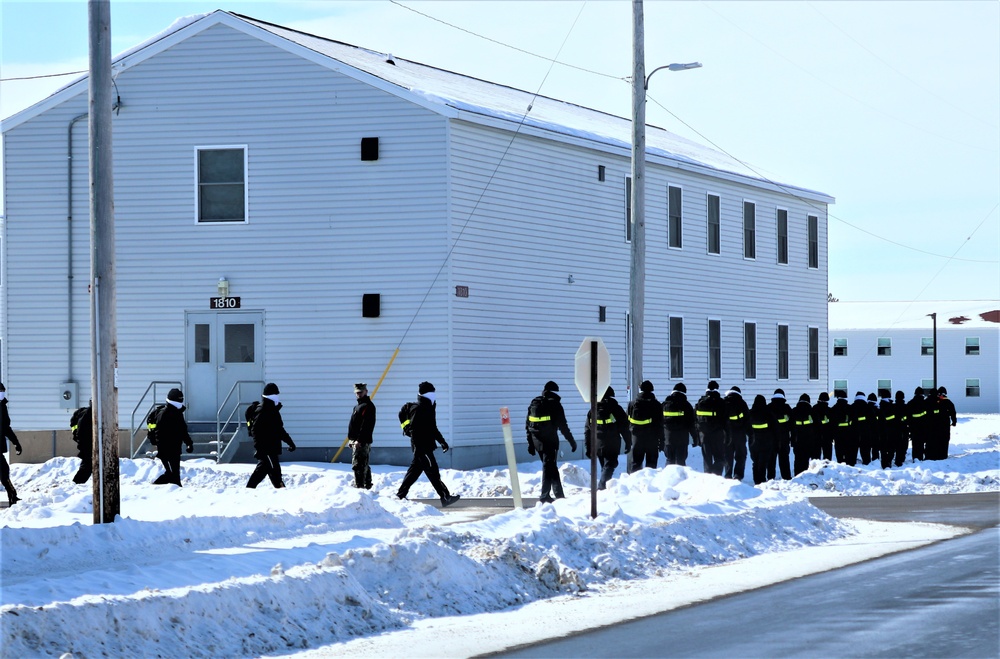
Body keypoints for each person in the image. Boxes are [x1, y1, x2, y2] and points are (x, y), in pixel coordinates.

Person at [396, 382, 460, 505]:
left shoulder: (429, 407)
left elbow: (432, 427)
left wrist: (442, 441)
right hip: (422, 448)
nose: (434, 395)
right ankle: (445, 497)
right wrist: (417, 448)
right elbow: (414, 430)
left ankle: (400, 495)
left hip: (425, 446)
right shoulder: (420, 409)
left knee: (414, 472)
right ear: (427, 394)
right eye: (433, 392)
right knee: (433, 472)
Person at [526, 380, 577, 503]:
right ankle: (544, 496)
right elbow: (563, 426)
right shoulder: (555, 405)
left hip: (537, 441)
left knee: (551, 466)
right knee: (548, 467)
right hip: (549, 441)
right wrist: (571, 441)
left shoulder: (535, 403)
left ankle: (559, 495)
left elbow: (528, 424)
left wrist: (530, 444)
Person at [246, 383, 296, 489]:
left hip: (270, 448)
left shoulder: (271, 410)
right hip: (267, 449)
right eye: (276, 394)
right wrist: (260, 447)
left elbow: (279, 430)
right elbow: (256, 430)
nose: (277, 397)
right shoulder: (264, 410)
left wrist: (290, 442)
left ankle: (248, 491)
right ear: (271, 396)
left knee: (263, 470)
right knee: (275, 471)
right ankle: (281, 490)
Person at [586, 387, 630, 489]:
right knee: (610, 465)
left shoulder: (593, 409)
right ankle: (601, 488)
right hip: (612, 443)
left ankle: (605, 489)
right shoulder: (616, 408)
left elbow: (587, 430)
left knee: (605, 467)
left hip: (597, 444)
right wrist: (628, 442)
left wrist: (588, 447)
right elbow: (625, 427)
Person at [152, 388, 194, 486]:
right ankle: (153, 489)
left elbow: (183, 430)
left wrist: (189, 443)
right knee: (173, 476)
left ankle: (156, 488)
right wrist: (162, 450)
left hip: (174, 450)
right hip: (167, 450)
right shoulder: (165, 414)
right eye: (179, 400)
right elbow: (159, 434)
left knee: (173, 475)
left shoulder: (177, 413)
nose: (181, 402)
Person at [627, 380, 663, 473]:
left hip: (636, 438)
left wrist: (629, 439)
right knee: (651, 466)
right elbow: (660, 424)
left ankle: (633, 484)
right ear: (652, 390)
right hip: (652, 439)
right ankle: (649, 485)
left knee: (635, 464)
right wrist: (662, 441)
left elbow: (628, 421)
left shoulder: (632, 404)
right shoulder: (656, 405)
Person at [695, 381, 727, 476]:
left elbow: (696, 419)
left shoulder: (700, 402)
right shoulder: (721, 402)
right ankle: (716, 476)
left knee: (707, 459)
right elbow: (725, 420)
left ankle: (708, 477)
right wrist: (727, 435)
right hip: (717, 435)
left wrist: (698, 435)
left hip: (703, 435)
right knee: (719, 458)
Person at [347, 382, 376, 489]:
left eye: (361, 392)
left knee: (358, 465)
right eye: (357, 393)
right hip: (356, 440)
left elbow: (367, 426)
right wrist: (351, 439)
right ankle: (367, 485)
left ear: (366, 392)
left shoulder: (367, 406)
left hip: (362, 441)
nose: (359, 394)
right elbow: (353, 425)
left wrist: (359, 440)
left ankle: (360, 486)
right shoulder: (358, 407)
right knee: (363, 463)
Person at [662, 382, 696, 467]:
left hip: (668, 438)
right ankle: (680, 479)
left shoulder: (665, 405)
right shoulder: (686, 405)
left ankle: (668, 478)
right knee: (680, 461)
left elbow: (659, 422)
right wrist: (695, 438)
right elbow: (691, 424)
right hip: (682, 439)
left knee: (669, 460)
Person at [0, 383, 24, 506]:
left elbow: (5, 428)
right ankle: (12, 494)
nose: (1, 394)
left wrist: (16, 443)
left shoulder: (2, 406)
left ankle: (12, 495)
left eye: (2, 391)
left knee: (4, 470)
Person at [747, 394, 777, 484]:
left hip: (753, 442)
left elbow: (746, 427)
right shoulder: (768, 413)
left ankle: (756, 481)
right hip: (766, 442)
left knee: (755, 462)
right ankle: (762, 481)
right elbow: (775, 428)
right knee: (763, 462)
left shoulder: (750, 413)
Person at [723, 386, 750, 481]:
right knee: (741, 456)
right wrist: (750, 434)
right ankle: (738, 475)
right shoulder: (742, 404)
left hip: (726, 435)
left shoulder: (723, 403)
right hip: (740, 435)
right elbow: (747, 420)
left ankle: (728, 475)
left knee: (728, 456)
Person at [766, 389, 793, 479]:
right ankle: (786, 477)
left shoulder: (768, 407)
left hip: (771, 438)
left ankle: (770, 478)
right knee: (784, 459)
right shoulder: (787, 408)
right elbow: (791, 423)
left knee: (771, 460)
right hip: (784, 438)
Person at [789, 393, 817, 476]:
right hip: (810, 440)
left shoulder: (794, 411)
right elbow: (817, 426)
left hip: (797, 441)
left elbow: (790, 426)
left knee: (798, 460)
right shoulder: (812, 411)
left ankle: (798, 476)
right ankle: (808, 476)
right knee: (808, 460)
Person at [928, 387, 957, 460]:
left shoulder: (941, 402)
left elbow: (953, 413)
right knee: (941, 440)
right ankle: (940, 455)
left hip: (943, 425)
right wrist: (954, 421)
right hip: (939, 425)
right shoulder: (947, 402)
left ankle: (943, 455)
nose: (939, 396)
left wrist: (954, 421)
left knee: (944, 440)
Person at [69, 400, 93, 484]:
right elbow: (80, 432)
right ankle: (77, 484)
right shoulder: (87, 416)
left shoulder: (85, 413)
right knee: (87, 465)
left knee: (89, 465)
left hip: (89, 443)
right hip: (87, 444)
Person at [828, 390, 853, 464]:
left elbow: (831, 424)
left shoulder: (833, 409)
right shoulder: (850, 408)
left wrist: (832, 435)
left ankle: (840, 464)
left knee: (839, 452)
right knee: (848, 452)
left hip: (837, 434)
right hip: (848, 434)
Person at [906, 387, 929, 461]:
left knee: (915, 444)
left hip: (913, 428)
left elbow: (907, 417)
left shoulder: (910, 403)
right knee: (921, 444)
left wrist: (909, 427)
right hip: (923, 428)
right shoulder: (925, 403)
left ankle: (915, 458)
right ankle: (920, 458)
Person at [812, 391, 833, 461]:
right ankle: (826, 470)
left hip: (815, 436)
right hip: (827, 436)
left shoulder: (813, 409)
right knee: (827, 457)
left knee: (815, 457)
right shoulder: (829, 411)